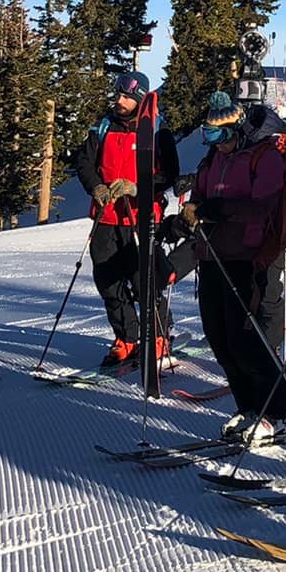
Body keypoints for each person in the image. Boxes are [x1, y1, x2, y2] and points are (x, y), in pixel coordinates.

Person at [185, 92, 286, 444]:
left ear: (237, 129)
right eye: (208, 137)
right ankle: (251, 407)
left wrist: (214, 209)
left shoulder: (265, 157)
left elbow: (263, 209)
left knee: (246, 340)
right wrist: (187, 219)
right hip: (213, 256)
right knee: (220, 339)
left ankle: (284, 411)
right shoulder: (212, 160)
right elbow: (199, 200)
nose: (216, 145)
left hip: (249, 257)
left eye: (221, 136)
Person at [73, 70, 184, 368]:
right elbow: (83, 162)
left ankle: (159, 334)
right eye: (118, 95)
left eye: (126, 97)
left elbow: (169, 174)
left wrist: (140, 188)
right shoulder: (104, 126)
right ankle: (127, 337)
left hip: (141, 217)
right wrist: (95, 185)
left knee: (144, 281)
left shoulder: (157, 130)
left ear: (139, 99)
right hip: (106, 217)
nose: (119, 101)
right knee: (108, 281)